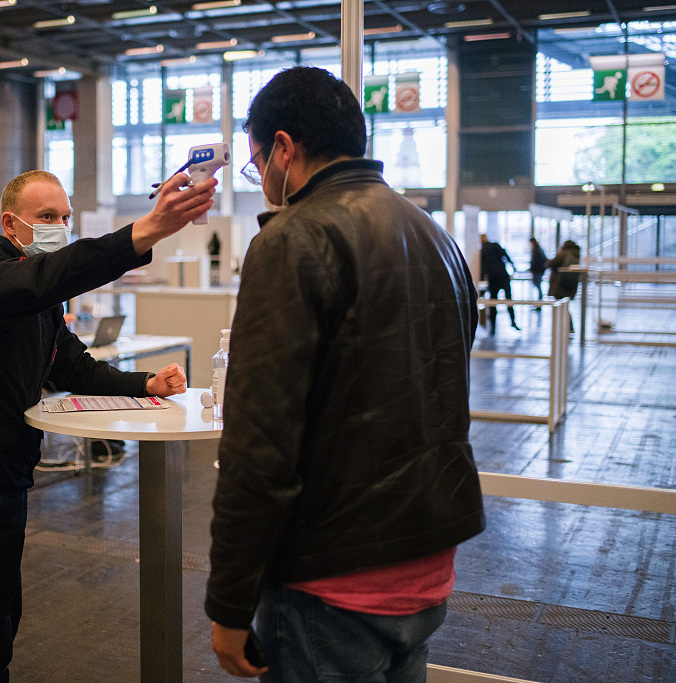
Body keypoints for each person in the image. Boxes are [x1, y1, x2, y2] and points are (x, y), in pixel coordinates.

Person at [205, 67, 486, 682]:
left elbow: (261, 442)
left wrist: (229, 601)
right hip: (427, 559)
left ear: (284, 148)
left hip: (330, 572)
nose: (262, 181)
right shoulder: (435, 237)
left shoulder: (293, 239)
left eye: (257, 163)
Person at [0, 168, 215, 681]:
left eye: (65, 217)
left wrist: (146, 384)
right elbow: (53, 274)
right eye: (46, 217)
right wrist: (147, 229)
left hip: (6, 473)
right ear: (10, 224)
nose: (60, 227)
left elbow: (74, 367)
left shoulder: (39, 303)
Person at [479, 233, 520, 334]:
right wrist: (513, 267)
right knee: (509, 299)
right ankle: (513, 321)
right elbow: (505, 255)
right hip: (503, 275)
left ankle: (493, 327)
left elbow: (482, 266)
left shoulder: (482, 250)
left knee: (493, 302)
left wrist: (481, 278)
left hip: (492, 278)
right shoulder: (495, 245)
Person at [546, 239, 582, 332]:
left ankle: (566, 328)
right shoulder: (575, 254)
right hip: (569, 286)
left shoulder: (563, 254)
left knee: (561, 307)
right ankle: (568, 327)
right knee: (565, 307)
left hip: (559, 285)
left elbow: (550, 264)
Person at [528, 237, 548, 310]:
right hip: (539, 271)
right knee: (538, 286)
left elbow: (535, 261)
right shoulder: (539, 249)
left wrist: (532, 268)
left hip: (537, 271)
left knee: (538, 287)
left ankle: (539, 304)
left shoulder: (536, 250)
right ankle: (539, 303)